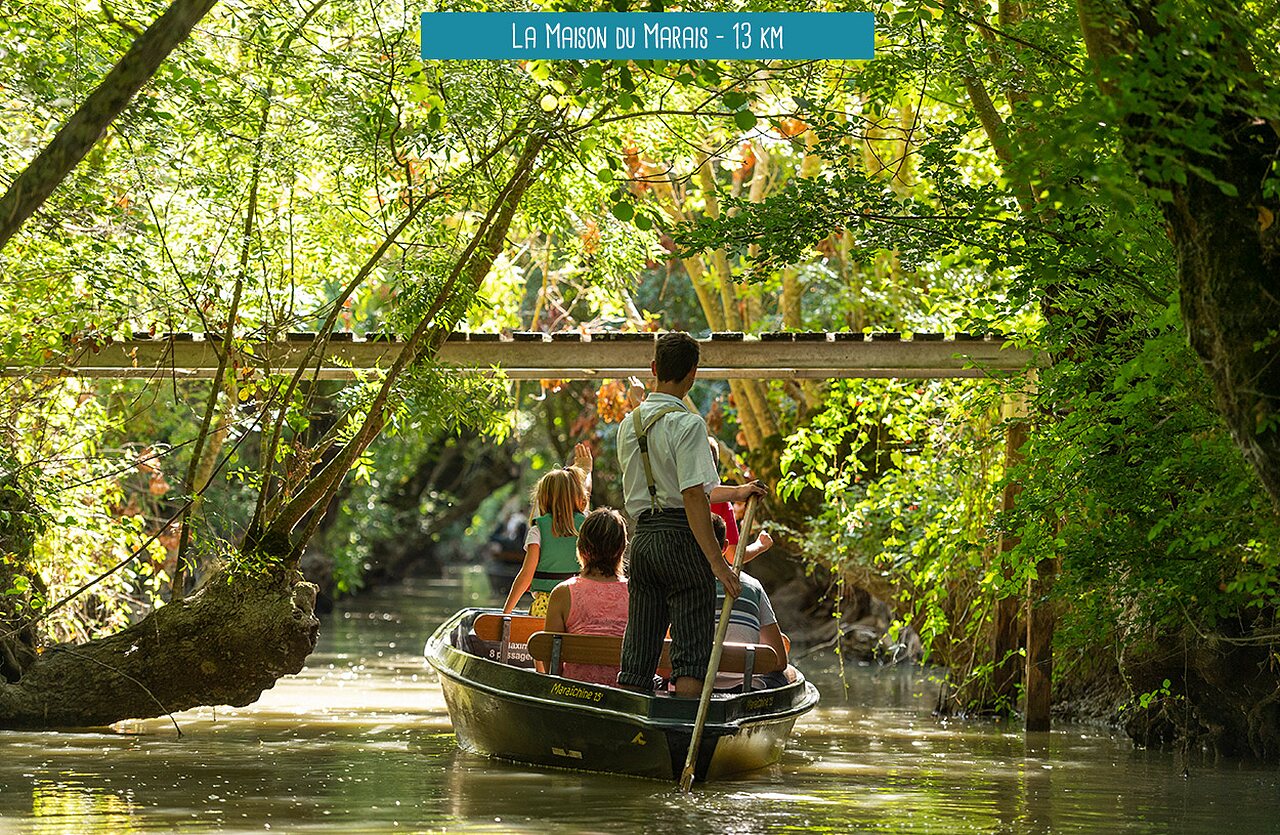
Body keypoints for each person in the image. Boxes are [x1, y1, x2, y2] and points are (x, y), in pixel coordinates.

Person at [615, 332, 766, 696]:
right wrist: (718, 564)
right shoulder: (689, 424)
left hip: (645, 539)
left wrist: (739, 491)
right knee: (691, 650)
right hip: (683, 540)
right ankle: (683, 730)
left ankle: (635, 729)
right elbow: (693, 497)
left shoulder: (628, 426)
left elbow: (699, 489)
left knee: (640, 647)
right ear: (693, 374)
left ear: (654, 369)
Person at [502, 442, 593, 617]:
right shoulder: (587, 526)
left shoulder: (538, 531)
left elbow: (526, 576)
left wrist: (505, 613)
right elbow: (587, 491)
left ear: (543, 498)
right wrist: (587, 471)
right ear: (580, 497)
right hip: (579, 605)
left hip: (546, 607)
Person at [543, 507, 630, 686]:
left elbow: (551, 663)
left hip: (574, 693)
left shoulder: (563, 593)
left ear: (581, 547)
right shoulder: (635, 592)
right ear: (621, 549)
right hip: (623, 694)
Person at [709, 515, 790, 690]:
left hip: (693, 688)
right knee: (785, 675)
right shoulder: (752, 586)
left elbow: (664, 669)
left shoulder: (680, 585)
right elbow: (780, 661)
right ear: (725, 547)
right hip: (746, 688)